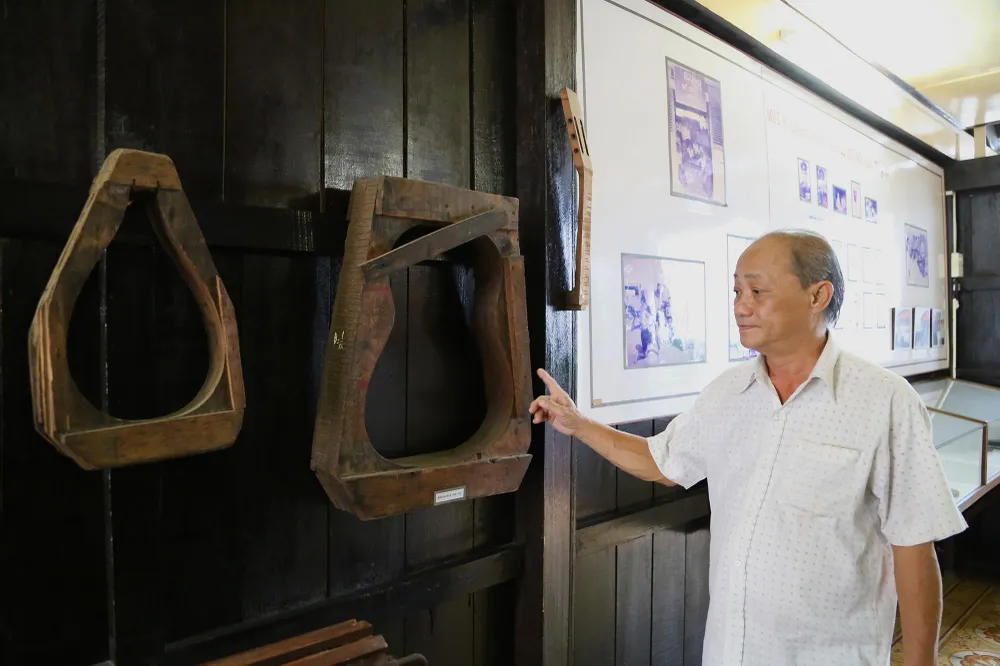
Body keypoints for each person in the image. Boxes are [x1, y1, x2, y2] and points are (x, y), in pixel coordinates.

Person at [529, 230, 966, 665]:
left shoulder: (885, 402)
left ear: (818, 296)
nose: (741, 306)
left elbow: (914, 546)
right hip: (730, 652)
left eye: (757, 291)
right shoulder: (727, 393)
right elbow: (661, 462)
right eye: (737, 291)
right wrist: (579, 425)